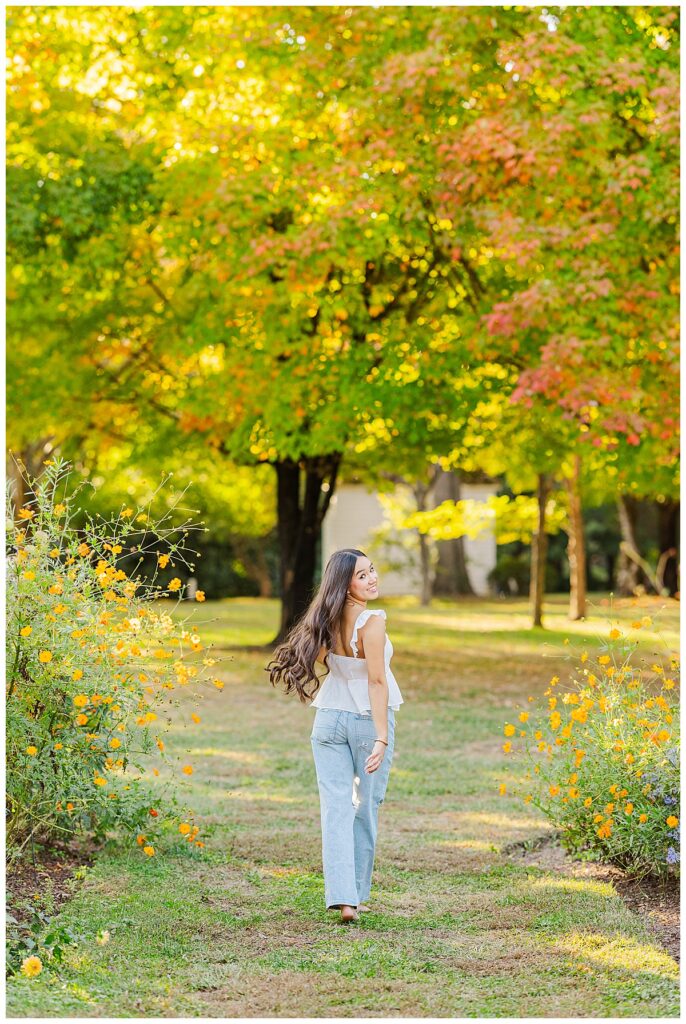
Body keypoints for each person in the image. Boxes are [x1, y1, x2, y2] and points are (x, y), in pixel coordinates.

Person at [267, 548, 403, 924]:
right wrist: (381, 737)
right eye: (362, 575)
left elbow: (325, 661)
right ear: (345, 585)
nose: (372, 578)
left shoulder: (324, 618)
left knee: (336, 807)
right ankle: (352, 900)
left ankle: (343, 898)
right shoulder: (372, 621)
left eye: (372, 570)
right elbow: (376, 681)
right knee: (366, 807)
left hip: (327, 720)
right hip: (364, 720)